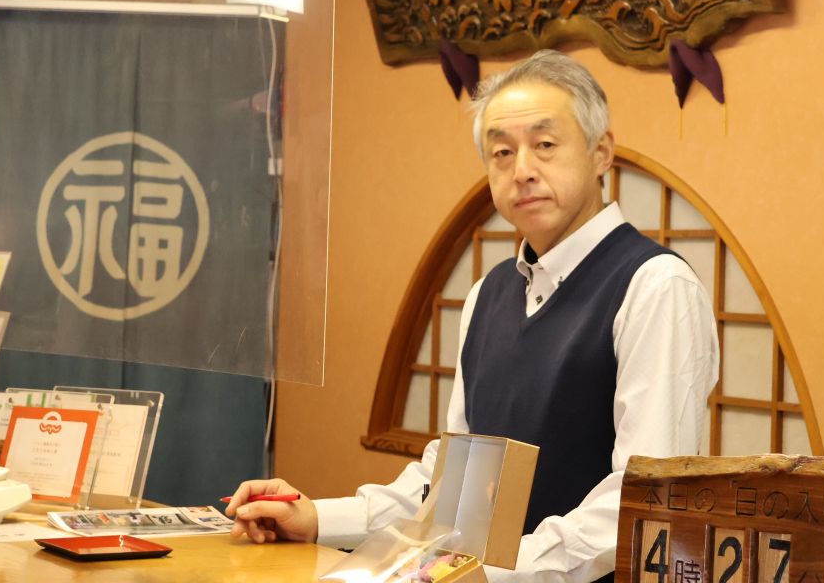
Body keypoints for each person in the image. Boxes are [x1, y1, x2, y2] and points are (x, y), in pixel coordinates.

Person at [227, 50, 719, 581]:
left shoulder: (655, 285)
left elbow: (642, 498)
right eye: (501, 152)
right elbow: (454, 487)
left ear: (601, 152)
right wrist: (318, 517)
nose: (522, 171)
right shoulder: (489, 293)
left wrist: (490, 572)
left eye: (545, 145)